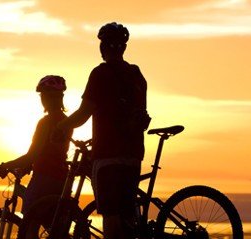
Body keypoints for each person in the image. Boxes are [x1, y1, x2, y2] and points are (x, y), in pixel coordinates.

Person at [57, 22, 150, 239]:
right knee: (127, 215)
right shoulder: (136, 74)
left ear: (103, 48)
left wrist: (60, 126)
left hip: (108, 155)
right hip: (133, 154)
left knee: (110, 215)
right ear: (123, 48)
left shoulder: (100, 74)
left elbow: (83, 113)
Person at [0, 75, 73, 238]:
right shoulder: (66, 121)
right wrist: (28, 165)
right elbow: (50, 151)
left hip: (44, 178)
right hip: (61, 179)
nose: (41, 99)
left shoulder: (46, 122)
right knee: (55, 229)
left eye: (42, 95)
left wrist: (5, 165)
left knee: (29, 227)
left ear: (48, 98)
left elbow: (32, 154)